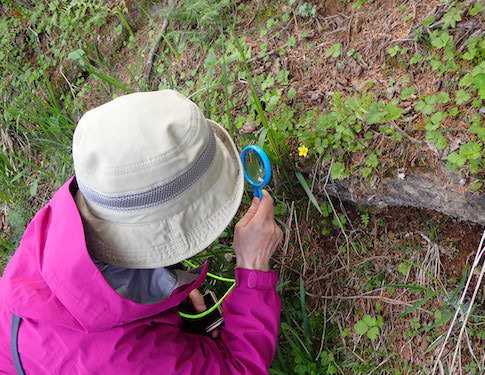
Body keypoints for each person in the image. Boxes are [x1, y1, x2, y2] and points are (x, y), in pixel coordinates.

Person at [0, 90, 283, 374]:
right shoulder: (126, 358)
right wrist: (253, 267)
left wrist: (165, 301)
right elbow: (239, 368)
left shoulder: (75, 208)